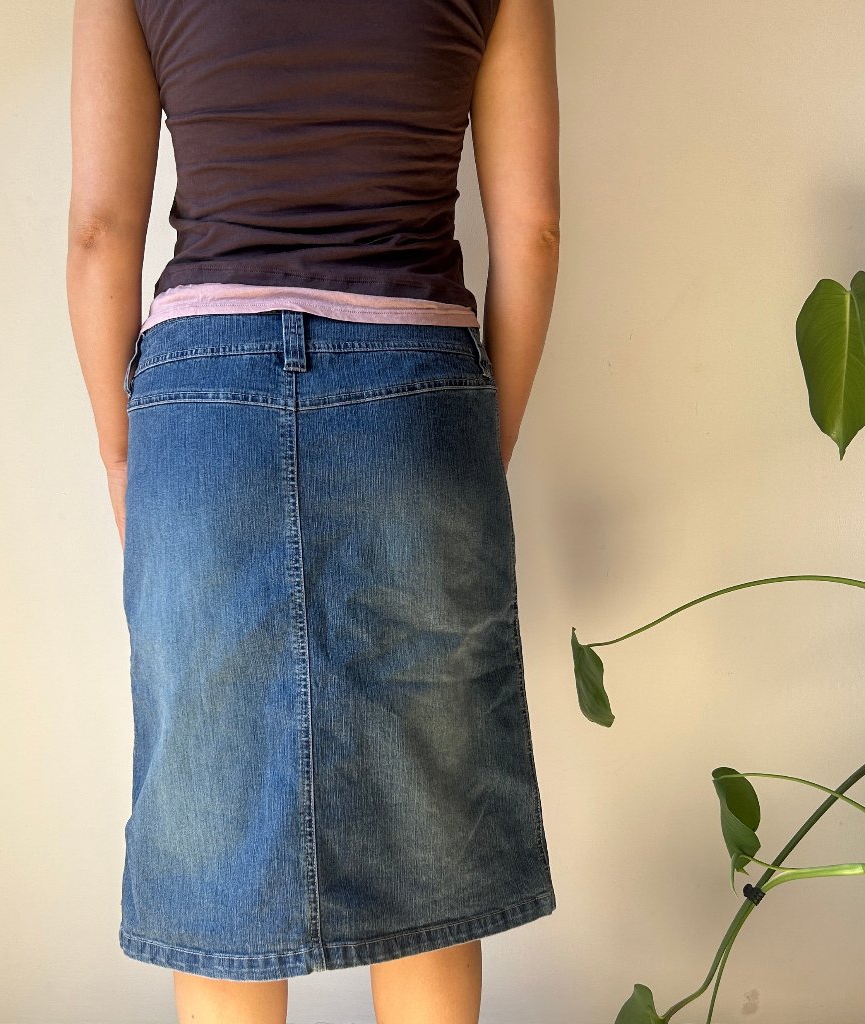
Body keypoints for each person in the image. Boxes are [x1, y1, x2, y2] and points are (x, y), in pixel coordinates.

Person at [66, 0, 560, 1021]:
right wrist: (475, 438)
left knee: (216, 843)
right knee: (430, 840)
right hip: (414, 388)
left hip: (201, 409)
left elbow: (99, 232)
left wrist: (122, 456)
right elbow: (533, 232)